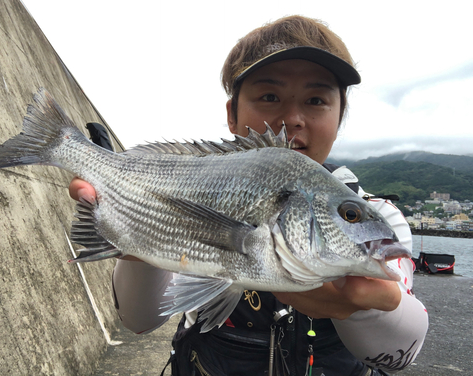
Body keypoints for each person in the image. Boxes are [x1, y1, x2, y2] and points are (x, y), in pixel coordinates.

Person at [70, 15, 428, 376]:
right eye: (269, 96)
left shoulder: (382, 214)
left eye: (316, 99)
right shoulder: (197, 182)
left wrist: (361, 308)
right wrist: (140, 241)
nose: (292, 118)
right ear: (232, 113)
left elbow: (399, 357)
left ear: (340, 116)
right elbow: (140, 320)